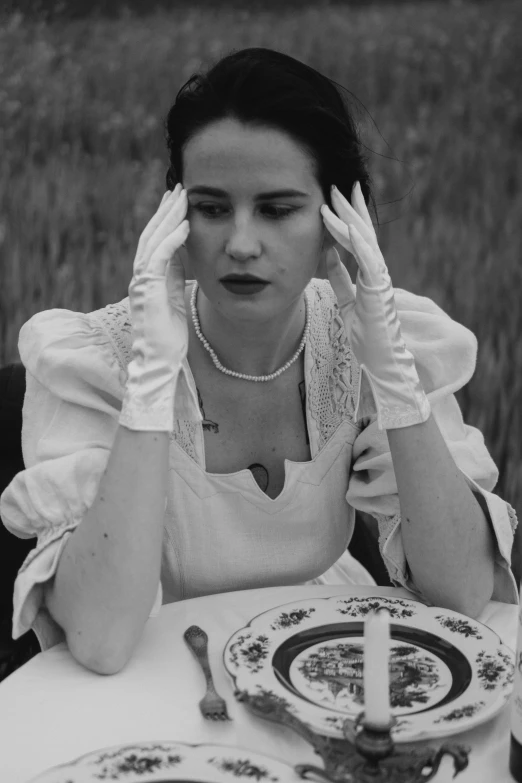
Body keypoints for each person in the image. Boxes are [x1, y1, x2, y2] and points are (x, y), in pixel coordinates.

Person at [0, 47, 518, 675]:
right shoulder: (99, 361)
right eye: (212, 208)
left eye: (277, 209)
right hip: (153, 670)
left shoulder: (371, 345)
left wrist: (396, 382)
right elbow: (102, 640)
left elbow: (462, 591)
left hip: (316, 661)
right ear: (175, 215)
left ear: (335, 220)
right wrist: (151, 386)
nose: (241, 244)